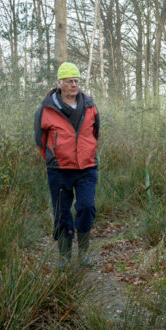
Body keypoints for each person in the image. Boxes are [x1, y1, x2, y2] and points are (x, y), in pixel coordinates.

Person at [34, 62, 100, 268]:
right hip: (59, 170)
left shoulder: (90, 105)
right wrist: (54, 158)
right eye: (69, 81)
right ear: (59, 83)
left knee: (87, 207)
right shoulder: (46, 108)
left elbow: (95, 132)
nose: (74, 85)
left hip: (87, 168)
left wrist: (87, 152)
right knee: (62, 211)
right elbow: (39, 139)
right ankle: (64, 256)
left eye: (76, 81)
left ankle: (83, 254)